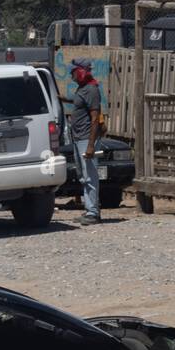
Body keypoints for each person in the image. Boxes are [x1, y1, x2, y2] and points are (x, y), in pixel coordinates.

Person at [69, 58, 103, 225]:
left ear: (81, 71)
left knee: (90, 176)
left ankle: (93, 213)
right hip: (78, 138)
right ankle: (89, 209)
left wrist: (90, 145)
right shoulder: (82, 89)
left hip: (86, 139)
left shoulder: (91, 90)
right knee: (84, 176)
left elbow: (95, 118)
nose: (71, 75)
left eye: (73, 71)